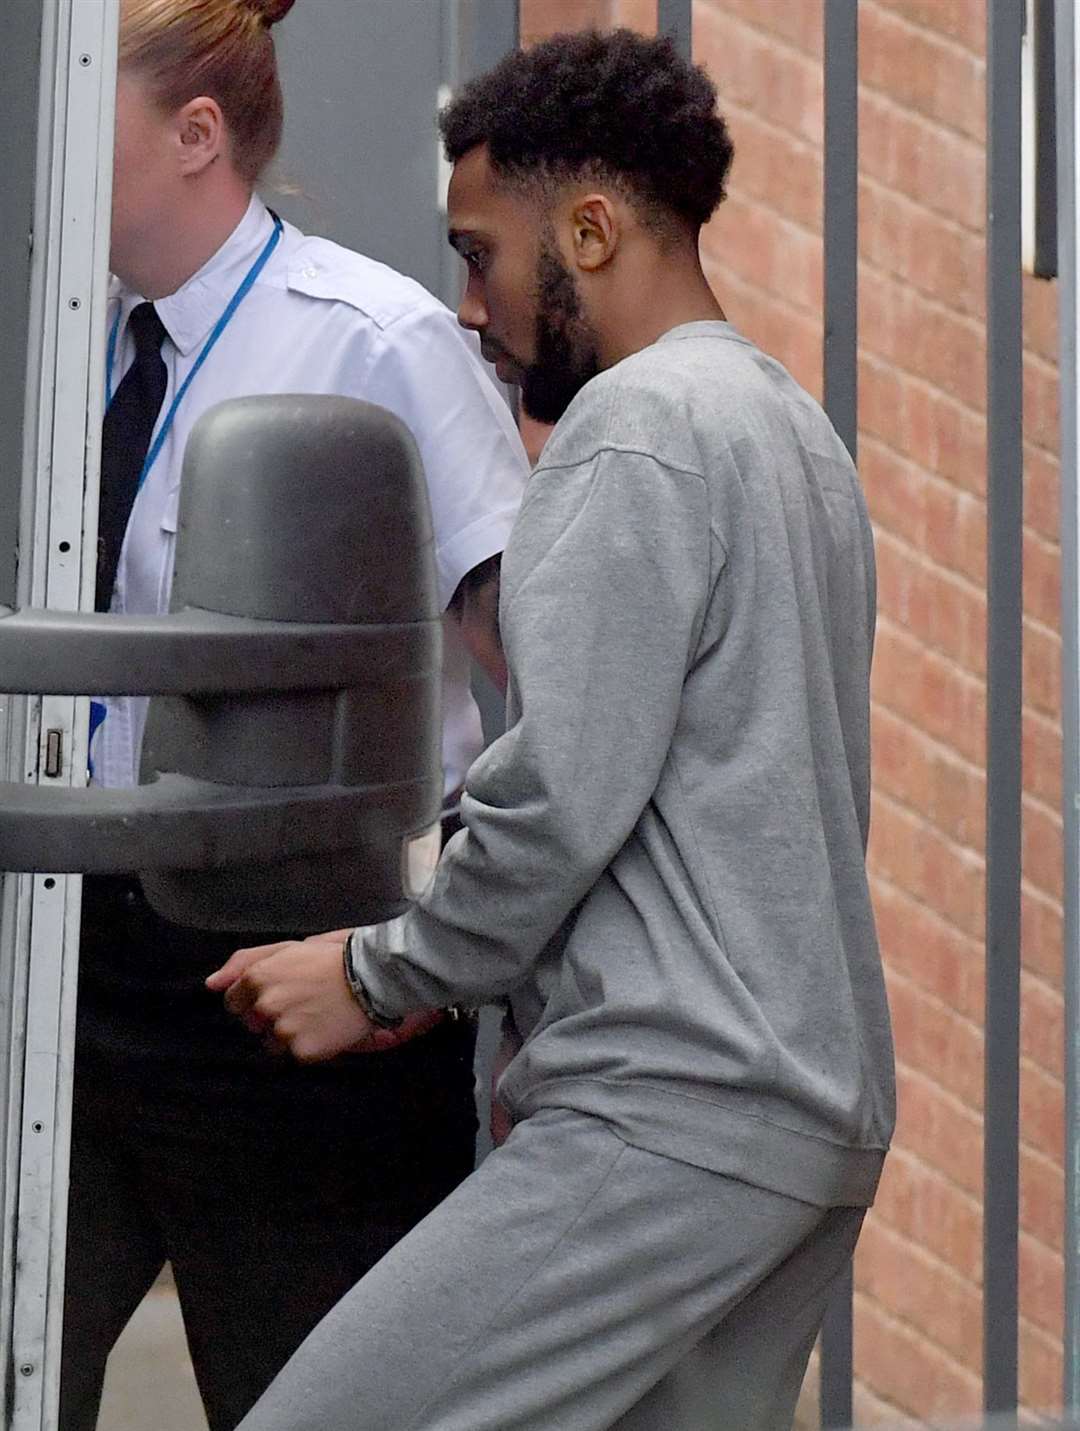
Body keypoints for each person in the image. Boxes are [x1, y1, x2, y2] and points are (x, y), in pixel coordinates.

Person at [211, 27, 895, 1431]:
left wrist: (378, 974)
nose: (472, 308)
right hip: (799, 1125)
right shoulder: (791, 432)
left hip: (668, 1119)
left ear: (587, 231)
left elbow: (559, 798)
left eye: (482, 255)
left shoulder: (626, 435)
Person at [62, 2, 528, 1429]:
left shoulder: (375, 342)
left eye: (97, 123)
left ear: (199, 137)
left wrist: (429, 943)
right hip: (78, 968)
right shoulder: (69, 340)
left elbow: (538, 667)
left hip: (286, 989)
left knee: (304, 1397)